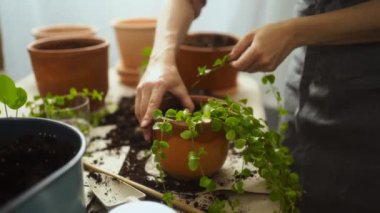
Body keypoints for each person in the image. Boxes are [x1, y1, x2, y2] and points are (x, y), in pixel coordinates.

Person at [135, 0, 380, 212]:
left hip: (365, 99)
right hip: (309, 67)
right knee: (292, 184)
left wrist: (295, 32)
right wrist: (160, 60)